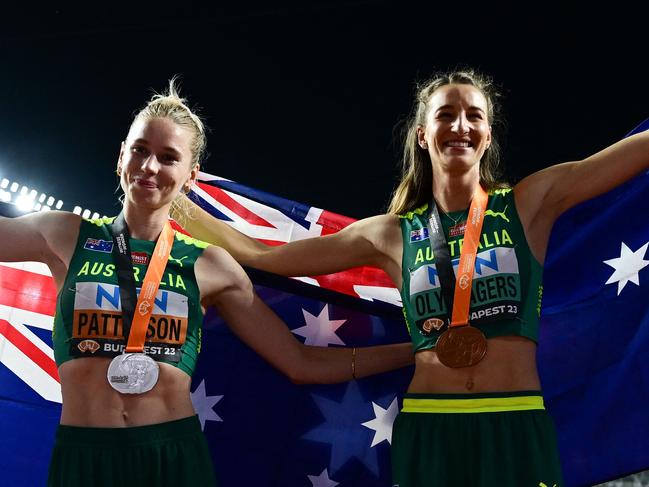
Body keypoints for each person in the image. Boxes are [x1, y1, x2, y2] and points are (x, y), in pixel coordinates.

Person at [174, 68, 649, 486]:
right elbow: (265, 256)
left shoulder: (530, 203)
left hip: (515, 419)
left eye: (474, 116)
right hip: (430, 424)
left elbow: (629, 156)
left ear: (487, 134)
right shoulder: (390, 235)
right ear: (423, 135)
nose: (460, 126)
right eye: (446, 115)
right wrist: (177, 198)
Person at [0, 80, 415, 487]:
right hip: (83, 455)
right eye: (140, 150)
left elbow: (300, 363)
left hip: (173, 457)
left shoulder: (209, 265)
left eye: (167, 157)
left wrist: (418, 348)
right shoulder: (63, 235)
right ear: (121, 154)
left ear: (190, 175)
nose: (149, 167)